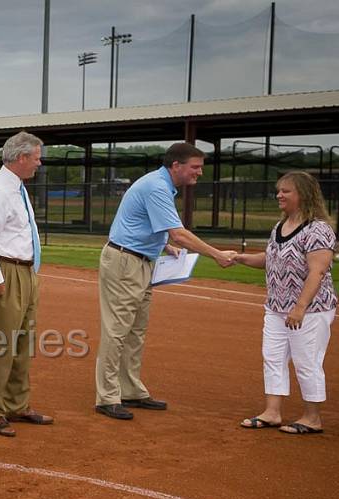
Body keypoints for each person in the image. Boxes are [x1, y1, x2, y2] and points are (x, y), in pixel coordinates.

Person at [95, 142, 237, 420]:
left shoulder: (160, 184)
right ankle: (107, 397)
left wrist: (163, 245)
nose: (199, 173)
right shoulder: (157, 187)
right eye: (195, 167)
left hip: (142, 261)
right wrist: (216, 254)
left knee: (135, 331)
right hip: (126, 262)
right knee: (117, 330)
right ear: (176, 166)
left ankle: (130, 390)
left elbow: (148, 226)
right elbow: (179, 234)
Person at [235, 171, 338, 435]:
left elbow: (318, 271)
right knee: (273, 357)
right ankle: (272, 412)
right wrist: (239, 258)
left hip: (310, 310)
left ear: (303, 195)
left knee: (307, 361)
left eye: (286, 191)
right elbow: (270, 259)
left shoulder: (318, 229)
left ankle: (312, 417)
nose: (279, 195)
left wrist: (300, 307)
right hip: (276, 306)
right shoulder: (280, 226)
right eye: (279, 190)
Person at [0, 131, 54, 437]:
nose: (38, 163)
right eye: (35, 157)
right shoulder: (0, 191)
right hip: (5, 271)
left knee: (22, 342)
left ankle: (17, 404)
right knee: (0, 343)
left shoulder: (16, 187)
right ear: (21, 158)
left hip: (25, 272)